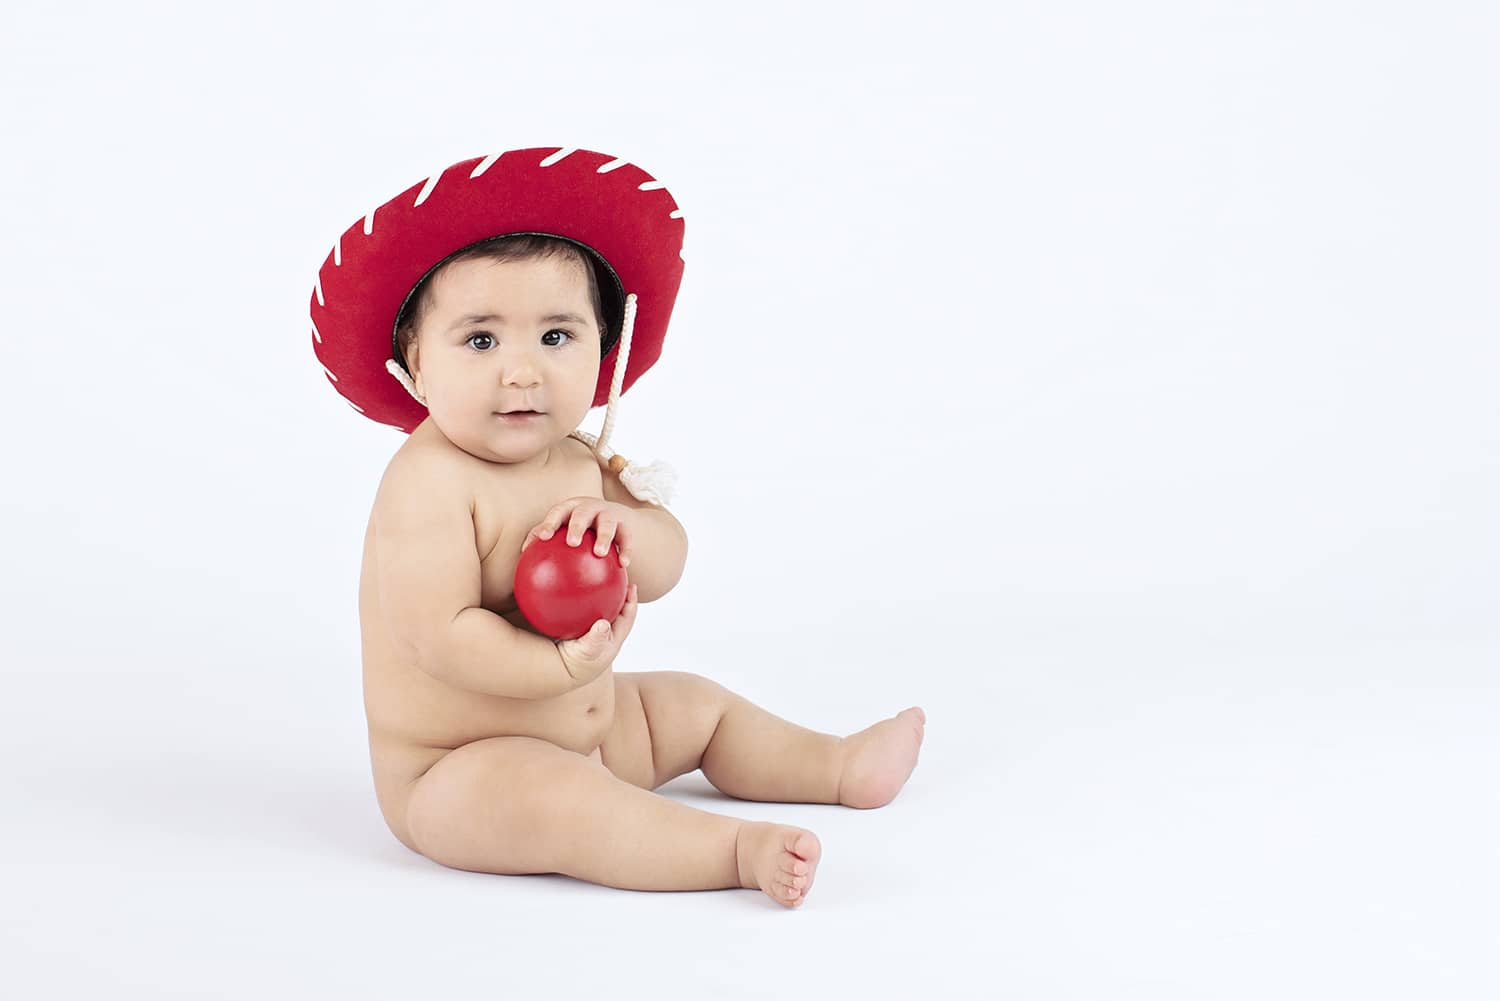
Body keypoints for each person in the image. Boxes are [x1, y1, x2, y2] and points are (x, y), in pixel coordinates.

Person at [309, 147, 925, 908]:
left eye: (557, 336)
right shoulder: (428, 483)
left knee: (697, 704)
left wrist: (631, 533)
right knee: (565, 798)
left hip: (599, 728)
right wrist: (560, 672)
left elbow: (666, 560)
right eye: (480, 340)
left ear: (603, 351)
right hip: (457, 771)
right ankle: (731, 849)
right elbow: (440, 635)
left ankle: (834, 765)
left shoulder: (580, 459)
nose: (523, 371)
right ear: (416, 364)